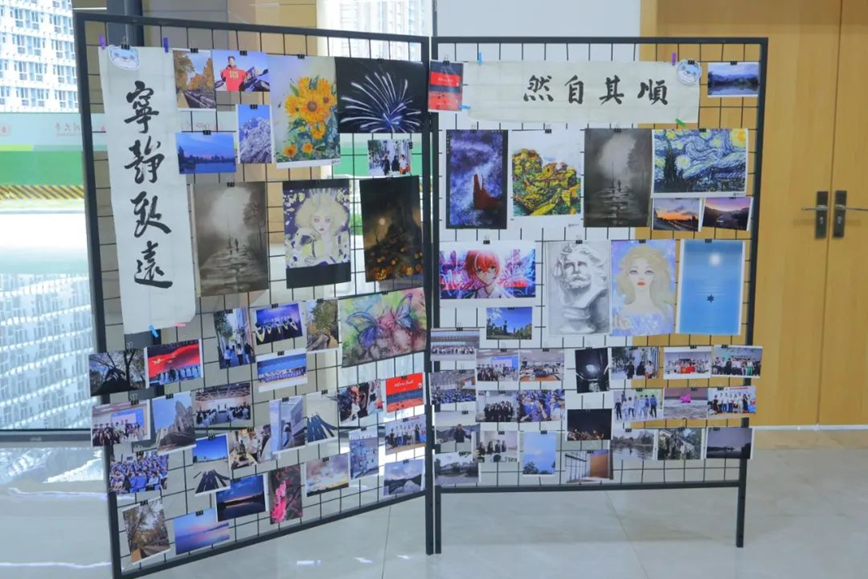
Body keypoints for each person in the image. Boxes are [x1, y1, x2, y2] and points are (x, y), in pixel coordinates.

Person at [612, 244, 675, 336]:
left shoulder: (668, 311)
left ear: (656, 275)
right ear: (627, 275)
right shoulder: (622, 314)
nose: (641, 277)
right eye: (634, 271)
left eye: (648, 271)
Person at [288, 192, 349, 268]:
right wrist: (299, 233)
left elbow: (345, 264)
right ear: (310, 221)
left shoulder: (342, 239)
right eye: (316, 220)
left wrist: (325, 258)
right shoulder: (310, 246)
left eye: (327, 220)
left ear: (333, 220)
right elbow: (292, 263)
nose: (322, 225)